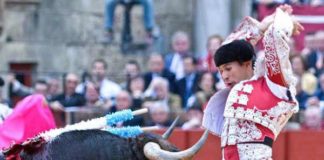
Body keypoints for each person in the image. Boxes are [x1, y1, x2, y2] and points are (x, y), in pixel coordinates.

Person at [202, 5, 304, 159]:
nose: (224, 76)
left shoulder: (273, 84)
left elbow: (275, 35)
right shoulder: (236, 88)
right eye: (221, 71)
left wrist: (284, 20)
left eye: (228, 69)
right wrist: (261, 27)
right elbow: (226, 49)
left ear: (247, 63)